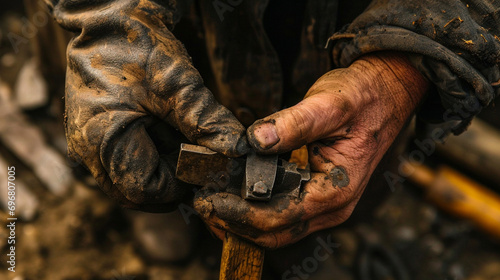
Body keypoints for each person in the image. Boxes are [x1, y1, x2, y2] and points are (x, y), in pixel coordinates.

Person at [42, 0, 499, 250]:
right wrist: (107, 20)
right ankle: (172, 212)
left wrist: (401, 70)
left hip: (352, 24)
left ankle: (307, 244)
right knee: (140, 143)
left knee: (335, 186)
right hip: (185, 19)